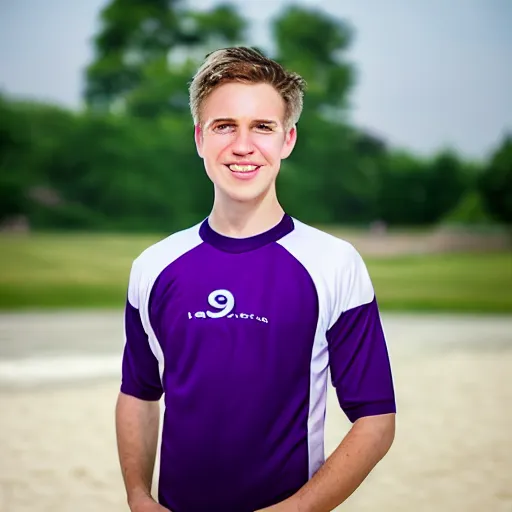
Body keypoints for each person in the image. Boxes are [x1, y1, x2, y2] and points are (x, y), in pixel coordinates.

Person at [115, 46, 396, 512]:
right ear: (199, 137)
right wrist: (139, 497)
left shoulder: (333, 263)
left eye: (262, 127)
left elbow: (376, 418)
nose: (243, 146)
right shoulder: (155, 265)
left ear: (288, 140)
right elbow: (140, 395)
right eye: (225, 126)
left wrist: (297, 509)